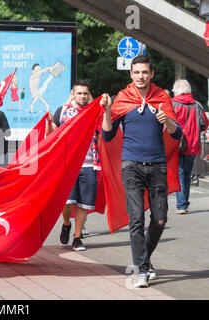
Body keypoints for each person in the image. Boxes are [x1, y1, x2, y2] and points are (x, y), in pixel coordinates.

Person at [102, 55, 182, 288]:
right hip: (131, 166)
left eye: (145, 72)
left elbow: (178, 135)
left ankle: (143, 259)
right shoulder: (123, 98)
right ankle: (142, 269)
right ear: (131, 74)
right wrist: (107, 112)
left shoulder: (162, 98)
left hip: (157, 165)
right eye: (136, 72)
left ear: (151, 74)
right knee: (135, 219)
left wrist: (167, 120)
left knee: (159, 220)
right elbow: (107, 135)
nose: (140, 76)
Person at [46, 80, 108, 251]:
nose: (82, 96)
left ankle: (77, 237)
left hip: (89, 164)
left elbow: (106, 130)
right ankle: (66, 223)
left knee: (83, 204)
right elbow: (51, 135)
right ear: (73, 94)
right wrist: (47, 124)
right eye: (79, 93)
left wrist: (105, 108)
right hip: (67, 164)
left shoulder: (95, 111)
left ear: (89, 95)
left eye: (85, 93)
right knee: (67, 202)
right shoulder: (62, 111)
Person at [171, 79, 209, 214]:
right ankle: (184, 203)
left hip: (177, 144)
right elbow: (204, 123)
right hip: (193, 145)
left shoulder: (172, 103)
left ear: (176, 90)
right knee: (187, 174)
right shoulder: (197, 105)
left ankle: (181, 205)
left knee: (180, 174)